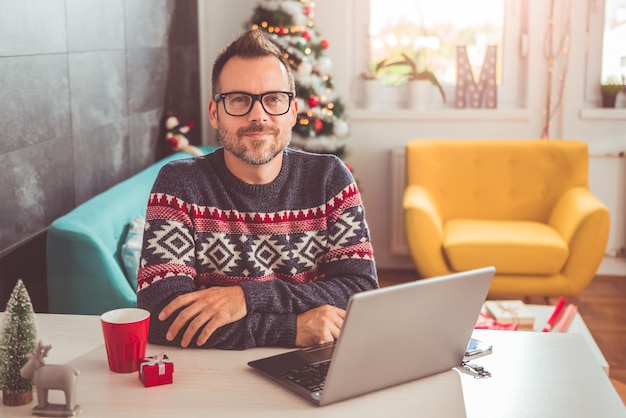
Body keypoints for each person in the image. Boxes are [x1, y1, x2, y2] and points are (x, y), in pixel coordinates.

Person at [136, 29, 378, 350]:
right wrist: (290, 328)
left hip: (314, 365)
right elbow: (161, 315)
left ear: (292, 112)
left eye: (273, 99)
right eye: (239, 100)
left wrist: (247, 297)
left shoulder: (329, 179)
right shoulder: (180, 185)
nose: (258, 116)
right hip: (213, 377)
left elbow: (360, 291)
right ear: (214, 113)